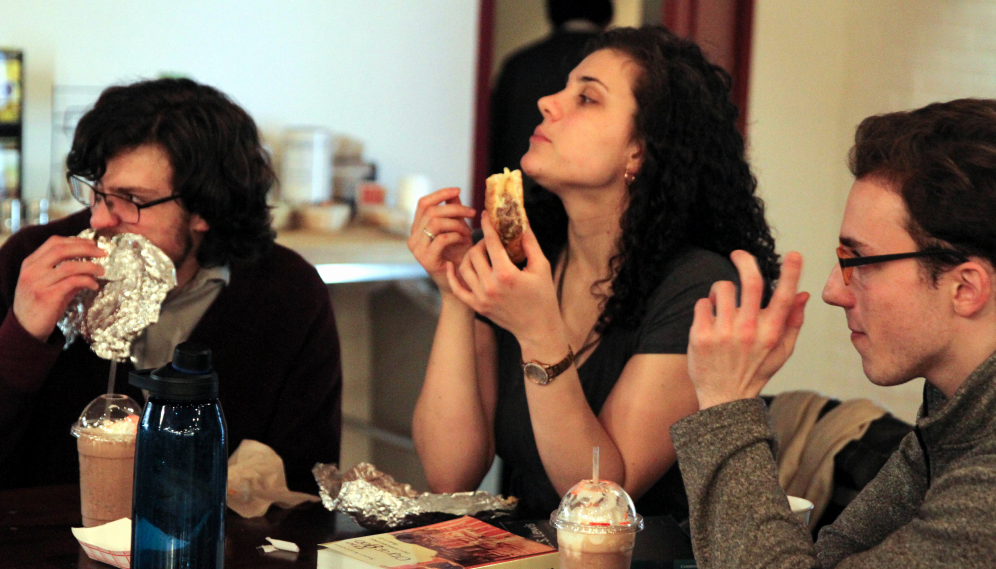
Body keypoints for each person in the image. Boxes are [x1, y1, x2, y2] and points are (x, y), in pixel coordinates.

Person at [409, 26, 780, 521]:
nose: (546, 102)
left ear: (638, 150)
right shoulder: (523, 259)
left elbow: (601, 499)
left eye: (586, 98)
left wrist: (538, 329)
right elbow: (450, 474)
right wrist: (455, 291)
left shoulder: (699, 286)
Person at [673, 98, 996, 567]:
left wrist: (725, 402)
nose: (832, 291)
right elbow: (836, 555)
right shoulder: (955, 405)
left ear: (965, 287)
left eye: (858, 263)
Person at [0, 78, 342, 493]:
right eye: (97, 191)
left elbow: (305, 486)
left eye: (131, 199)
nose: (100, 219)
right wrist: (21, 339)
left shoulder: (288, 295)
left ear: (205, 209)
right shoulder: (30, 263)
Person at [489, 0, 613, 187]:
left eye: (587, 98)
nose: (546, 103)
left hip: (518, 192)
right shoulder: (607, 65)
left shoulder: (519, 64)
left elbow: (496, 140)